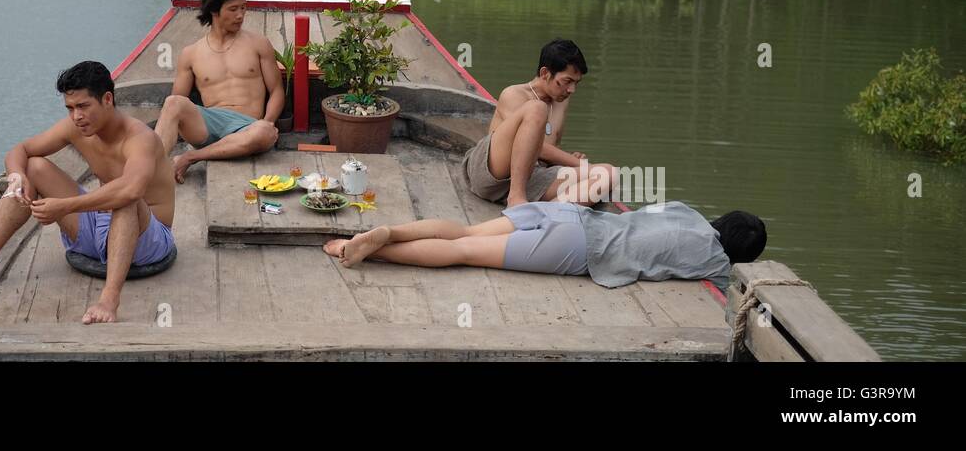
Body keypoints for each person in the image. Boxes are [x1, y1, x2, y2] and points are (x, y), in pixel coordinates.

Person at [0, 61, 175, 324]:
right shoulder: (75, 128)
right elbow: (21, 150)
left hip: (147, 240)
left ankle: (108, 299)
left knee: (126, 198)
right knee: (33, 167)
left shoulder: (139, 138)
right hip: (99, 229)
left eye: (83, 106)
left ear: (107, 99)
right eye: (70, 108)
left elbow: (131, 189)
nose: (76, 116)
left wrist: (65, 206)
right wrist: (18, 177)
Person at [322, 202, 766, 293]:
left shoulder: (685, 211)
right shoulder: (715, 261)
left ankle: (385, 233)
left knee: (465, 232)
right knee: (465, 255)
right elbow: (729, 288)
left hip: (568, 213)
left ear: (721, 220)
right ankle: (370, 251)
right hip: (578, 244)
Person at [154, 0, 283, 182]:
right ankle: (150, 171)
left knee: (264, 132)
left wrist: (268, 122)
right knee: (172, 103)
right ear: (214, 10)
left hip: (248, 127)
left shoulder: (259, 44)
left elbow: (277, 90)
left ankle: (190, 158)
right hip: (209, 125)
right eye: (233, 9)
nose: (240, 15)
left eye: (243, 7)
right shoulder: (191, 53)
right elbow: (178, 104)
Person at [461, 38, 620, 207]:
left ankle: (551, 217)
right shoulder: (513, 94)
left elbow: (548, 150)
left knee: (608, 173)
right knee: (537, 108)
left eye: (576, 83)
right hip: (490, 176)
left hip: (532, 176)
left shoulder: (560, 102)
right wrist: (578, 163)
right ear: (545, 73)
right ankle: (516, 201)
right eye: (567, 81)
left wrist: (566, 160)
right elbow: (539, 148)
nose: (572, 90)